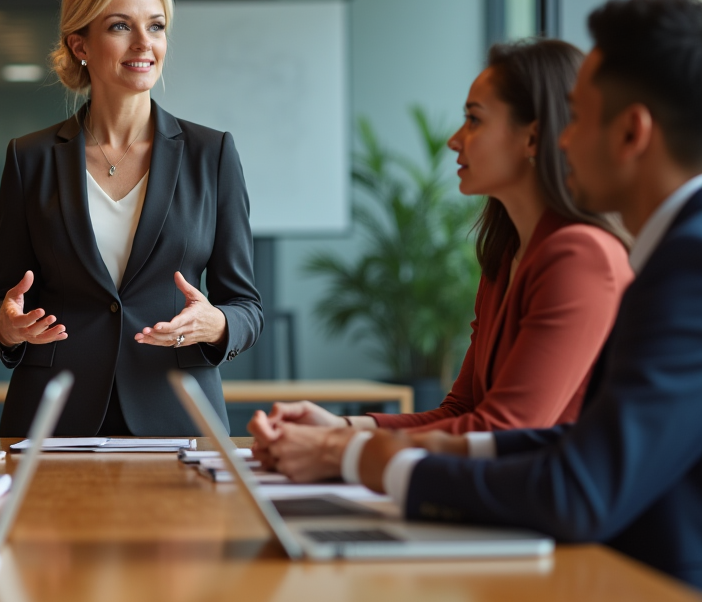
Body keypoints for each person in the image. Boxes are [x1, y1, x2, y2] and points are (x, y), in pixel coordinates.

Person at [249, 0, 702, 589]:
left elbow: (565, 472)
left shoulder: (666, 265)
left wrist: (354, 455)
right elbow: (539, 435)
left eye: (580, 119)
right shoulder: (554, 254)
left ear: (632, 132)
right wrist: (350, 438)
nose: (566, 141)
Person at [253, 40, 631, 438]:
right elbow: (462, 412)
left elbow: (505, 431)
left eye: (474, 120)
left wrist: (339, 452)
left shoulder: (581, 257)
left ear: (532, 139)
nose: (455, 139)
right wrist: (341, 427)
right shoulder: (505, 257)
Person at [0, 0, 262, 436]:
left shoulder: (211, 153)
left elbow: (245, 306)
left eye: (155, 26)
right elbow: (0, 304)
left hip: (176, 414)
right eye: (119, 26)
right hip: (54, 418)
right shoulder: (30, 158)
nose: (143, 43)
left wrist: (216, 324)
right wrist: (6, 328)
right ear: (79, 44)